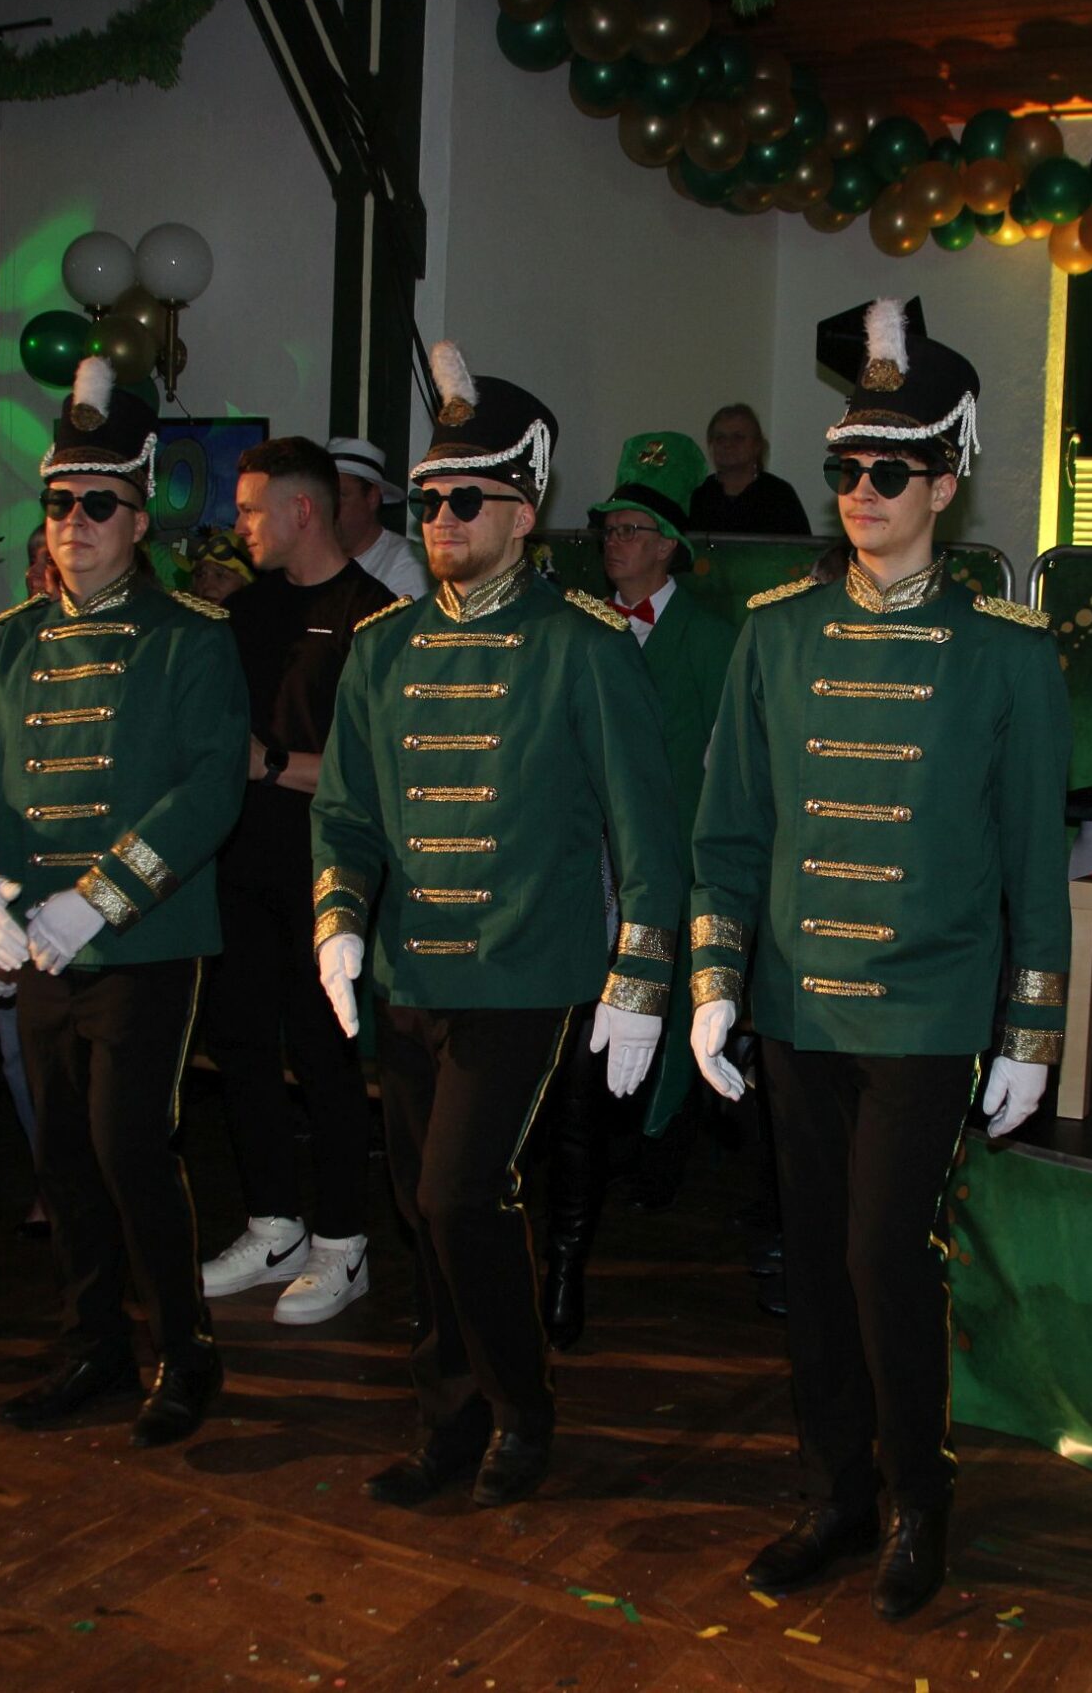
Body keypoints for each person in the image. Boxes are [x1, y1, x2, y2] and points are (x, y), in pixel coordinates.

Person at [688, 298, 1071, 1621]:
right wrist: (715, 981)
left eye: (890, 471)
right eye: (846, 467)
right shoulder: (775, 630)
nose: (861, 490)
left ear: (946, 485)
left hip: (928, 1007)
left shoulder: (1006, 653)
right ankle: (834, 1492)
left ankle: (919, 1495)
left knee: (882, 1256)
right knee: (811, 1260)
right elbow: (730, 828)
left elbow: (1032, 856)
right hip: (796, 1003)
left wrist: (1030, 1027)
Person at [310, 341, 684, 1510]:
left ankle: (523, 1412)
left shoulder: (583, 645)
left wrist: (640, 979)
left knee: (456, 1196)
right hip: (407, 972)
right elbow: (346, 812)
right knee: (425, 1205)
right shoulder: (380, 649)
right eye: (428, 500)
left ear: (524, 513)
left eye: (467, 500)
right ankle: (450, 1419)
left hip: (526, 968)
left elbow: (648, 831)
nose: (441, 519)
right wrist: (338, 922)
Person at [0, 357, 248, 1448]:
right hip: (35, 945)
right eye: (60, 502)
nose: (74, 522)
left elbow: (209, 787)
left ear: (140, 516)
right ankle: (92, 1344)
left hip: (142, 939)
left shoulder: (190, 636)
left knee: (128, 1147)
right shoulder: (11, 639)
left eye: (99, 504)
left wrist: (100, 899)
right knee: (60, 1155)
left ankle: (185, 1349)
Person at [530, 429, 737, 1348]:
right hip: (582, 870)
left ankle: (654, 1151)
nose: (613, 542)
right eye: (608, 528)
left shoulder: (714, 638)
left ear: (668, 546)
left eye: (631, 530)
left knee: (666, 1024)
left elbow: (728, 769)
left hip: (669, 871)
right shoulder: (571, 627)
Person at [196, 437, 393, 1324]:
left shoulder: (374, 617)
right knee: (241, 1044)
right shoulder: (243, 613)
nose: (239, 525)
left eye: (250, 508)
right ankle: (273, 1223)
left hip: (327, 877)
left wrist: (271, 763)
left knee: (325, 1058)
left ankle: (343, 1242)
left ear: (302, 510)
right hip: (239, 865)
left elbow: (374, 775)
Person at [328, 435, 428, 599]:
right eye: (324, 496)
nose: (329, 506)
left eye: (340, 495)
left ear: (372, 498)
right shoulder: (314, 560)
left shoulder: (407, 562)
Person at [690, 403, 811, 537]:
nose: (727, 444)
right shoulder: (699, 495)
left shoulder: (779, 495)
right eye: (720, 438)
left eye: (738, 437)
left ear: (757, 445)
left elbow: (802, 547)